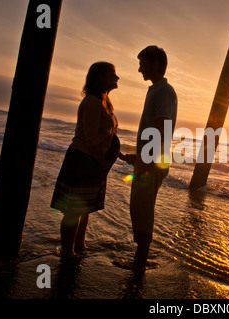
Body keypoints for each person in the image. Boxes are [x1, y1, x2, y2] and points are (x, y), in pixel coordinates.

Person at [51, 61, 127, 258]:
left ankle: (80, 244)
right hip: (82, 160)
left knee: (84, 207)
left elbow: (106, 134)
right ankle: (68, 251)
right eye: (113, 74)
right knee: (74, 209)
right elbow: (91, 138)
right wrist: (101, 161)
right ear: (101, 77)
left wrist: (117, 154)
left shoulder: (105, 101)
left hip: (92, 159)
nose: (117, 78)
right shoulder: (92, 101)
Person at [129, 45, 178, 269]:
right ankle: (140, 257)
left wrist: (147, 159)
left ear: (156, 64)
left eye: (143, 64)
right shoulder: (155, 90)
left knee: (143, 207)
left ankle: (140, 262)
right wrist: (137, 156)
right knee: (140, 206)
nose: (140, 69)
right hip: (148, 158)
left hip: (153, 160)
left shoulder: (163, 92)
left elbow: (162, 127)